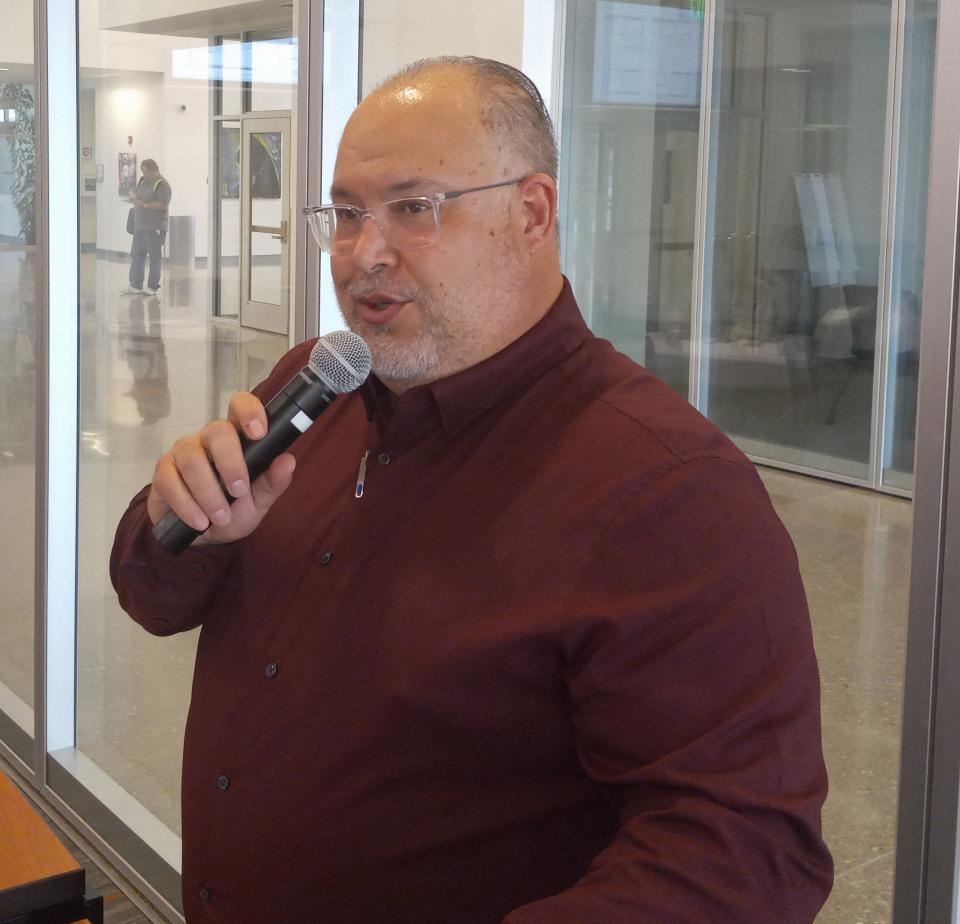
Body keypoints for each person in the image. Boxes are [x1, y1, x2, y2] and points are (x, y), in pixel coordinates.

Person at [111, 57, 833, 922]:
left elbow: (743, 855)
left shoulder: (669, 491)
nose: (362, 254)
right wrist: (177, 526)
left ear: (531, 213)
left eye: (414, 209)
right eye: (344, 214)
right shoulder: (317, 384)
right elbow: (150, 593)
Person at [121, 158, 171, 297]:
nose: (145, 174)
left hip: (154, 227)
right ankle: (135, 284)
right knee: (137, 255)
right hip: (140, 226)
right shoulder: (143, 181)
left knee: (155, 257)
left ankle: (152, 286)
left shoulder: (162, 184)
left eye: (147, 171)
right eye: (143, 171)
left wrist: (144, 205)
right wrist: (133, 196)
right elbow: (137, 192)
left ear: (155, 170)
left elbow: (163, 204)